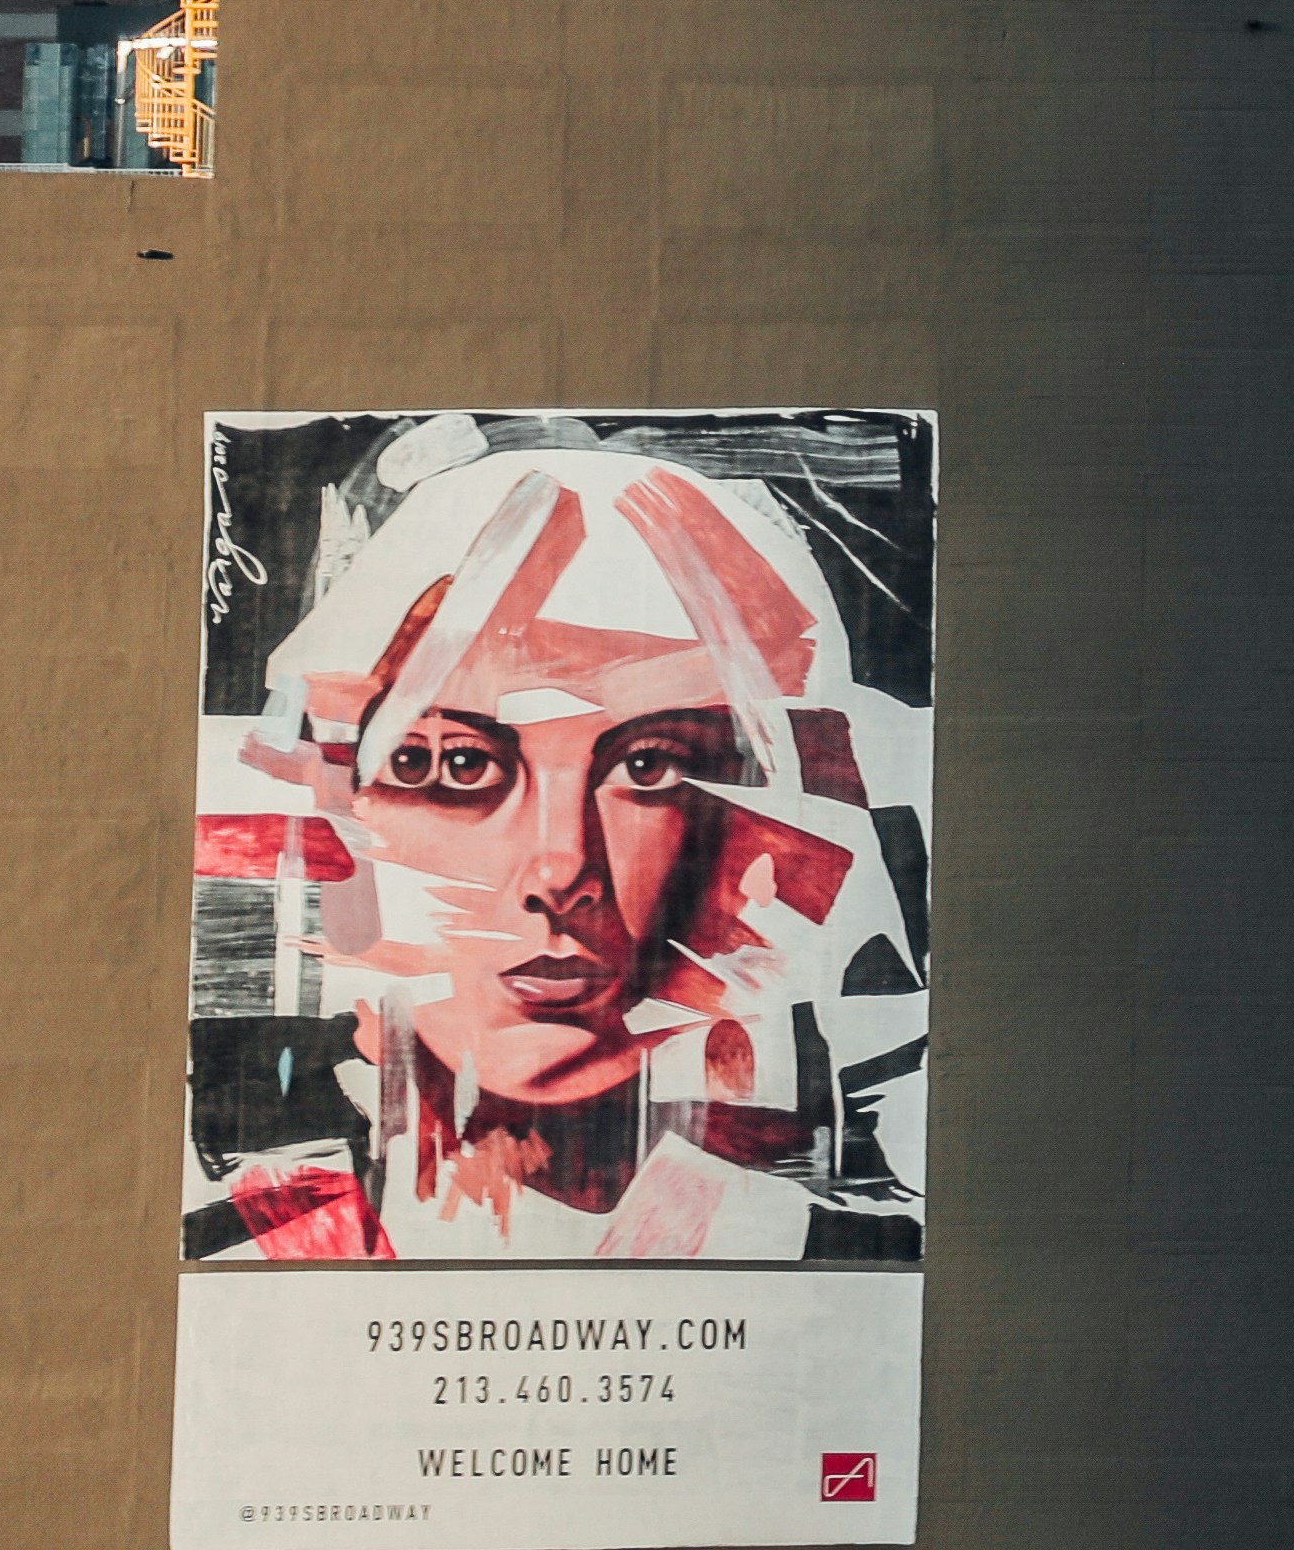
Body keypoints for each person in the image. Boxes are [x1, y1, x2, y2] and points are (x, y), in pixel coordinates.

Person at [189, 423, 928, 1262]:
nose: (563, 870)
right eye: (458, 763)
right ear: (334, 794)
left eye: (651, 765)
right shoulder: (244, 1261)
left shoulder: (846, 1261)